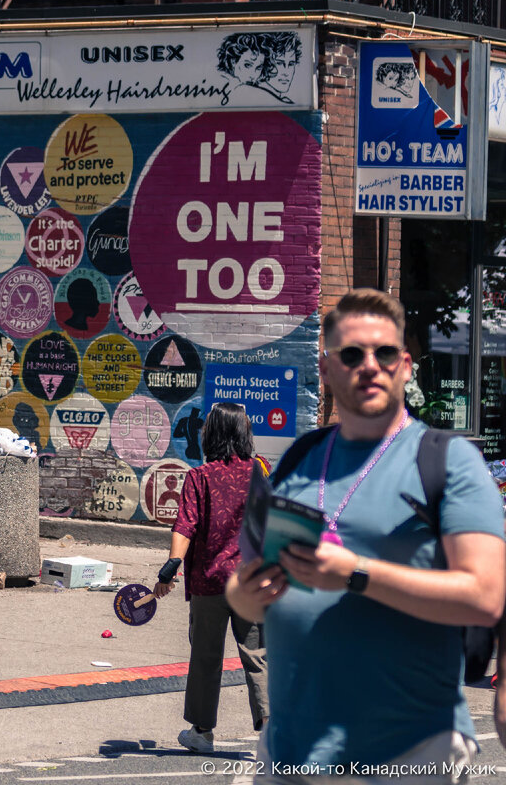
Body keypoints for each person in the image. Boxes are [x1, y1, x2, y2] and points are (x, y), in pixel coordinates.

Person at [226, 288, 506, 781]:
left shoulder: (448, 460)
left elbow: (486, 596)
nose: (370, 366)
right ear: (326, 367)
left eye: (385, 353)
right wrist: (247, 594)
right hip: (290, 751)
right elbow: (246, 586)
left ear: (406, 366)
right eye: (353, 354)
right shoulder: (297, 459)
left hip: (410, 749)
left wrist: (356, 574)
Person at [154, 402, 268, 754]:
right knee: (258, 657)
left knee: (205, 657)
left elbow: (185, 525)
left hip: (209, 582)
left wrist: (171, 566)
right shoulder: (261, 472)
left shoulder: (199, 477)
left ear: (213, 433)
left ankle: (202, 733)